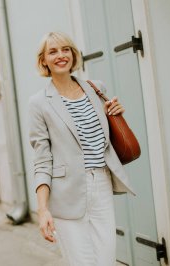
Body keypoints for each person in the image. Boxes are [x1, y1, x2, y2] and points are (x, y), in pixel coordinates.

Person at [28, 32, 135, 266]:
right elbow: (42, 160)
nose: (61, 55)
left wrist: (116, 115)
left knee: (106, 258)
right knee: (83, 262)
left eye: (65, 49)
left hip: (102, 182)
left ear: (73, 54)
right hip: (66, 193)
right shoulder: (38, 103)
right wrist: (43, 209)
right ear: (43, 60)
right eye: (53, 51)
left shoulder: (95, 88)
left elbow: (106, 136)